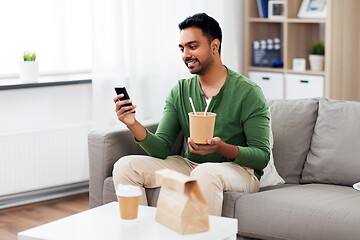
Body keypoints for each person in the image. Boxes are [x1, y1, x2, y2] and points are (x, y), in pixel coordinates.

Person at [113, 13, 270, 216]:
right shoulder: (180, 90)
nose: (185, 54)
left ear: (214, 46)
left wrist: (222, 148)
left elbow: (261, 157)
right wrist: (132, 123)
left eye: (193, 46)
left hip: (240, 170)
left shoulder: (248, 92)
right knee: (125, 166)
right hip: (191, 165)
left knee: (205, 173)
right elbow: (161, 148)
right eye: (182, 48)